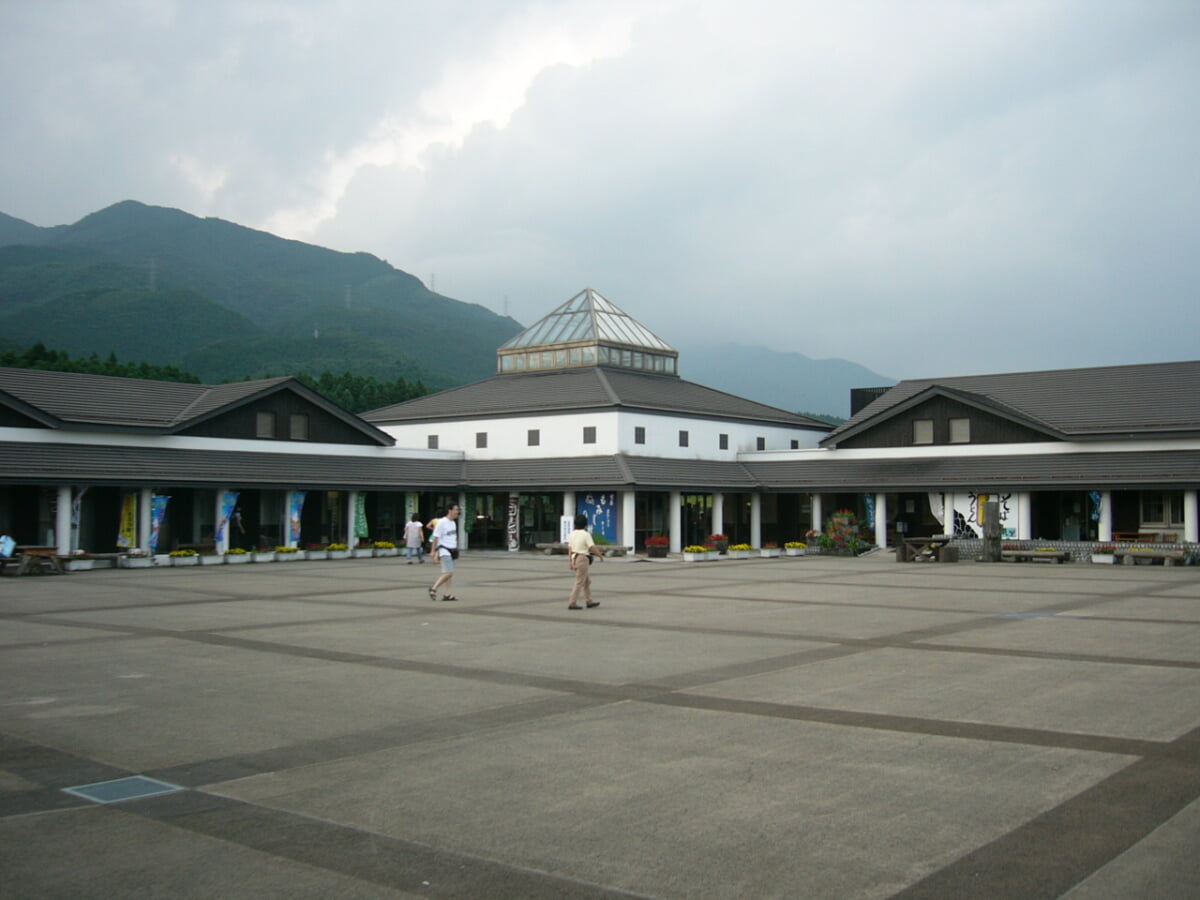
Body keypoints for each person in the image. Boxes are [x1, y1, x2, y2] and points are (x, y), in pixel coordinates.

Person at [566, 513, 603, 610]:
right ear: (585, 524)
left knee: (586, 581)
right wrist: (600, 555)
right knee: (579, 582)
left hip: (575, 557)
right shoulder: (586, 534)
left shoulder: (572, 534)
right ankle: (572, 602)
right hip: (582, 558)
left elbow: (570, 548)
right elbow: (592, 547)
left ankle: (589, 601)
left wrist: (571, 561)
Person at [429, 504, 461, 601]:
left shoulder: (453, 523)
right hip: (444, 550)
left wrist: (457, 548)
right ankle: (433, 588)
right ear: (449, 510)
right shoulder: (442, 522)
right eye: (456, 510)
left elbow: (454, 537)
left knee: (448, 574)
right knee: (449, 572)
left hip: (452, 550)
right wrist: (433, 551)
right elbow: (436, 536)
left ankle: (447, 594)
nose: (457, 512)